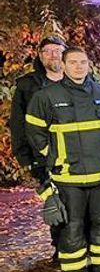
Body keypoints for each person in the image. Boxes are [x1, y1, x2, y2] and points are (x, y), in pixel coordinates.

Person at [26, 47, 100, 272]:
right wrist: (54, 157)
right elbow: (35, 134)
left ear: (89, 65)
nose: (78, 66)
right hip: (68, 175)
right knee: (71, 226)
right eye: (73, 62)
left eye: (82, 62)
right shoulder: (46, 96)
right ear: (64, 65)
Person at [8, 35, 66, 258]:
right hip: (42, 154)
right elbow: (18, 123)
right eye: (47, 51)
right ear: (40, 57)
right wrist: (24, 157)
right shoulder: (27, 85)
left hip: (74, 153)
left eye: (57, 50)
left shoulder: (77, 79)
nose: (53, 55)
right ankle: (61, 248)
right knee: (55, 201)